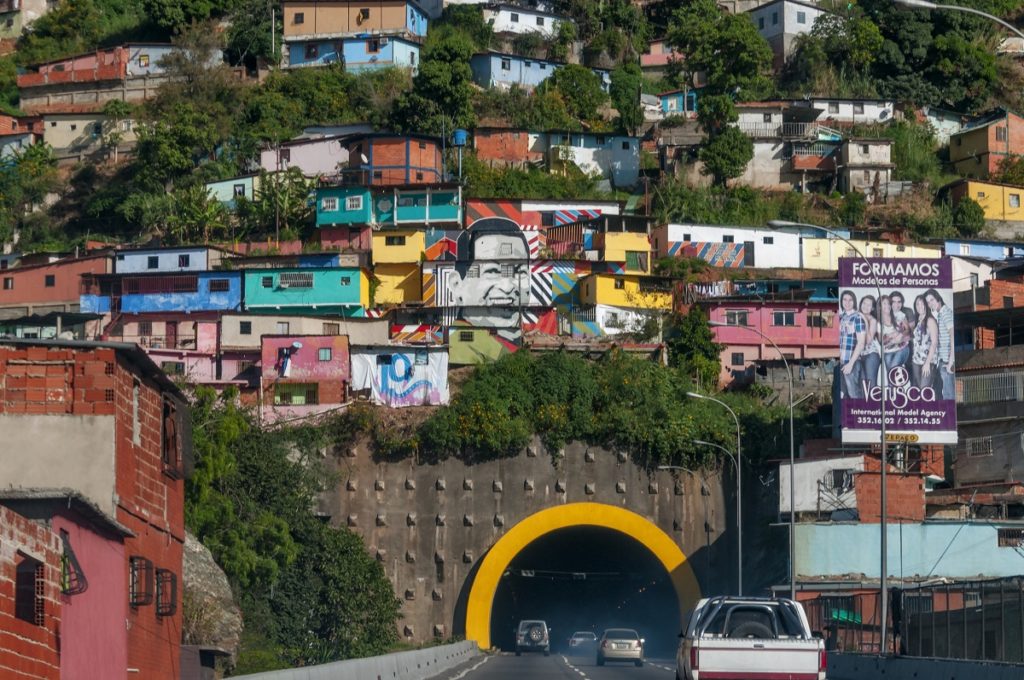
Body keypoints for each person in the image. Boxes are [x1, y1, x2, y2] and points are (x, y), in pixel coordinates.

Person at [448, 217, 531, 340]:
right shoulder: (467, 347)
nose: (507, 287)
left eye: (519, 271)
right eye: (492, 271)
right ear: (457, 285)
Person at [925, 288, 955, 400]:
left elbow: (953, 336)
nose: (930, 304)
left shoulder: (945, 313)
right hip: (942, 360)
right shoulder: (940, 314)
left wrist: (950, 362)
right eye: (928, 302)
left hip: (947, 361)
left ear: (938, 298)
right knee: (940, 392)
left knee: (949, 395)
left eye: (932, 300)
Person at [838, 290, 866, 399]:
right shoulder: (841, 317)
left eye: (850, 300)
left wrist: (850, 363)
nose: (847, 302)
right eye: (844, 299)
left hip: (851, 363)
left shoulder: (857, 318)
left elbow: (861, 342)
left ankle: (860, 414)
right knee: (843, 394)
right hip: (840, 362)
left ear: (854, 301)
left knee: (853, 393)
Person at [910, 294, 938, 390]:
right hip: (916, 361)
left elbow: (934, 343)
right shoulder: (918, 321)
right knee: (919, 391)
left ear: (926, 305)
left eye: (922, 304)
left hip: (927, 362)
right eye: (917, 304)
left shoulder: (930, 320)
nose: (920, 306)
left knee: (924, 391)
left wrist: (927, 363)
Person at [856, 294, 881, 395]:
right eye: (864, 303)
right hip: (859, 356)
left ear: (873, 308)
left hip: (871, 355)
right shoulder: (856, 316)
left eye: (869, 305)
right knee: (862, 385)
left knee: (871, 384)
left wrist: (865, 321)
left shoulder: (872, 320)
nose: (865, 306)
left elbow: (868, 340)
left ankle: (874, 408)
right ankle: (864, 408)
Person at [880, 295, 911, 372]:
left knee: (893, 369)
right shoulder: (878, 318)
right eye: (884, 303)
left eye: (888, 303)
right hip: (887, 351)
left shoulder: (899, 314)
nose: (887, 306)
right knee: (891, 376)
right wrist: (890, 337)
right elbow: (880, 340)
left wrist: (901, 334)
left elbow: (908, 330)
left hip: (902, 348)